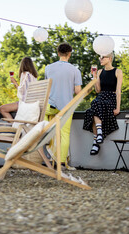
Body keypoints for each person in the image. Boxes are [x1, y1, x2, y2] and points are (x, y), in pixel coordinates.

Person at [44, 42, 82, 170]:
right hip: (66, 107)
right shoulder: (75, 70)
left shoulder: (48, 68)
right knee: (64, 134)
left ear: (58, 53)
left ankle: (46, 136)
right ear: (69, 54)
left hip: (50, 107)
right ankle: (60, 163)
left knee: (46, 125)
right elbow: (78, 92)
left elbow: (47, 88)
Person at [83, 52, 123, 155]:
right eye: (100, 57)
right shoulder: (100, 72)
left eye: (103, 57)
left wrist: (118, 108)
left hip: (111, 98)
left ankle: (96, 141)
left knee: (95, 104)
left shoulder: (118, 71)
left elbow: (118, 91)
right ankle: (99, 135)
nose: (100, 59)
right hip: (101, 98)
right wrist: (95, 76)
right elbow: (98, 90)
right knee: (91, 110)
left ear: (110, 58)